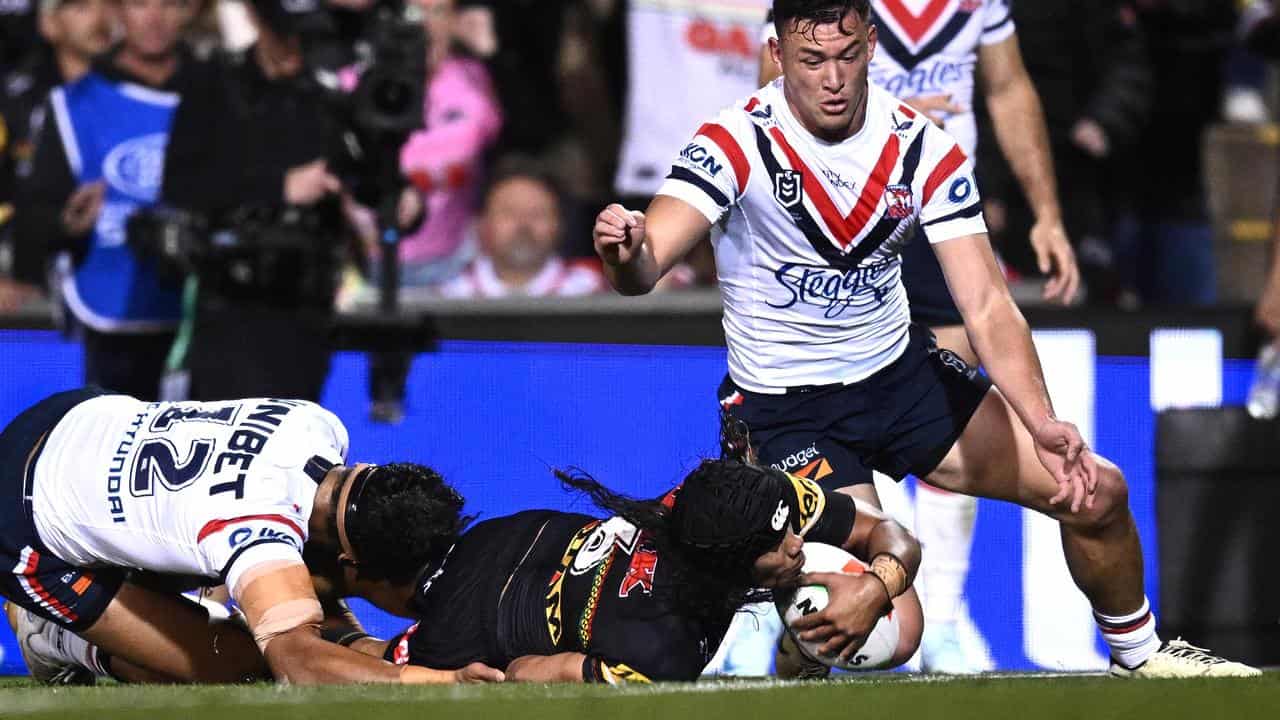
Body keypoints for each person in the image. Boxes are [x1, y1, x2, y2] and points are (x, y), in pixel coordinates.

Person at [593, 0, 1258, 678]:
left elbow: (989, 306)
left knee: (1094, 491)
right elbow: (645, 270)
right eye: (812, 60)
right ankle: (794, 640)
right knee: (889, 633)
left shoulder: (921, 145)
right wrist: (627, 251)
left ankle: (1140, 660)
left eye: (847, 57)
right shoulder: (733, 143)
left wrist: (1044, 421)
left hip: (899, 379)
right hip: (788, 410)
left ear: (872, 46)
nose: (832, 78)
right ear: (776, 54)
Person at [758, 0, 1082, 673]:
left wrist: (1046, 211)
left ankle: (947, 615)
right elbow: (773, 78)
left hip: (935, 207)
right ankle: (775, 610)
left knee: (945, 398)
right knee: (817, 395)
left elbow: (1006, 85)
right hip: (830, 197)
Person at [1, 387, 504, 685]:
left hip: (81, 415)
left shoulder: (315, 425)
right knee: (238, 662)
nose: (422, 601)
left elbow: (307, 571)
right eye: (416, 593)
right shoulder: (258, 534)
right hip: (19, 525)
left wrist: (365, 648)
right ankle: (57, 638)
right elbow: (297, 662)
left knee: (269, 585)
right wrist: (431, 678)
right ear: (353, 560)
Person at [364, 461, 922, 682]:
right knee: (347, 670)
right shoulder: (664, 652)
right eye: (778, 546)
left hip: (519, 534)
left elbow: (892, 534)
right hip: (473, 627)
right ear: (730, 564)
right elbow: (532, 671)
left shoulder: (736, 502)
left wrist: (878, 587)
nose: (798, 543)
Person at [159, 0, 423, 402]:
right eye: (283, 33)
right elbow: (181, 184)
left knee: (291, 435)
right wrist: (280, 187)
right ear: (257, 21)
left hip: (307, 302)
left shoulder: (328, 97)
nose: (293, 46)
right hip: (231, 298)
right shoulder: (213, 83)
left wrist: (403, 201)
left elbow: (366, 177)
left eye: (306, 36)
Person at [12, 0, 208, 401]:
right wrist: (67, 223)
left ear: (190, 12)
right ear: (116, 11)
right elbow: (31, 222)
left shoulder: (219, 94)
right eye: (139, 4)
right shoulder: (72, 105)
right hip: (111, 313)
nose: (154, 18)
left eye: (169, 5)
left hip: (207, 318)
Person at [0, 0, 117, 311]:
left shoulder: (141, 93)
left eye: (109, 4)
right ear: (49, 24)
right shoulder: (14, 101)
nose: (100, 17)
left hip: (120, 275)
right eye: (81, 7)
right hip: (28, 284)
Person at [439, 167, 604, 299]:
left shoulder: (591, 289)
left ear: (558, 225)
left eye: (537, 213)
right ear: (482, 224)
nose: (523, 224)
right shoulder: (450, 292)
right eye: (509, 213)